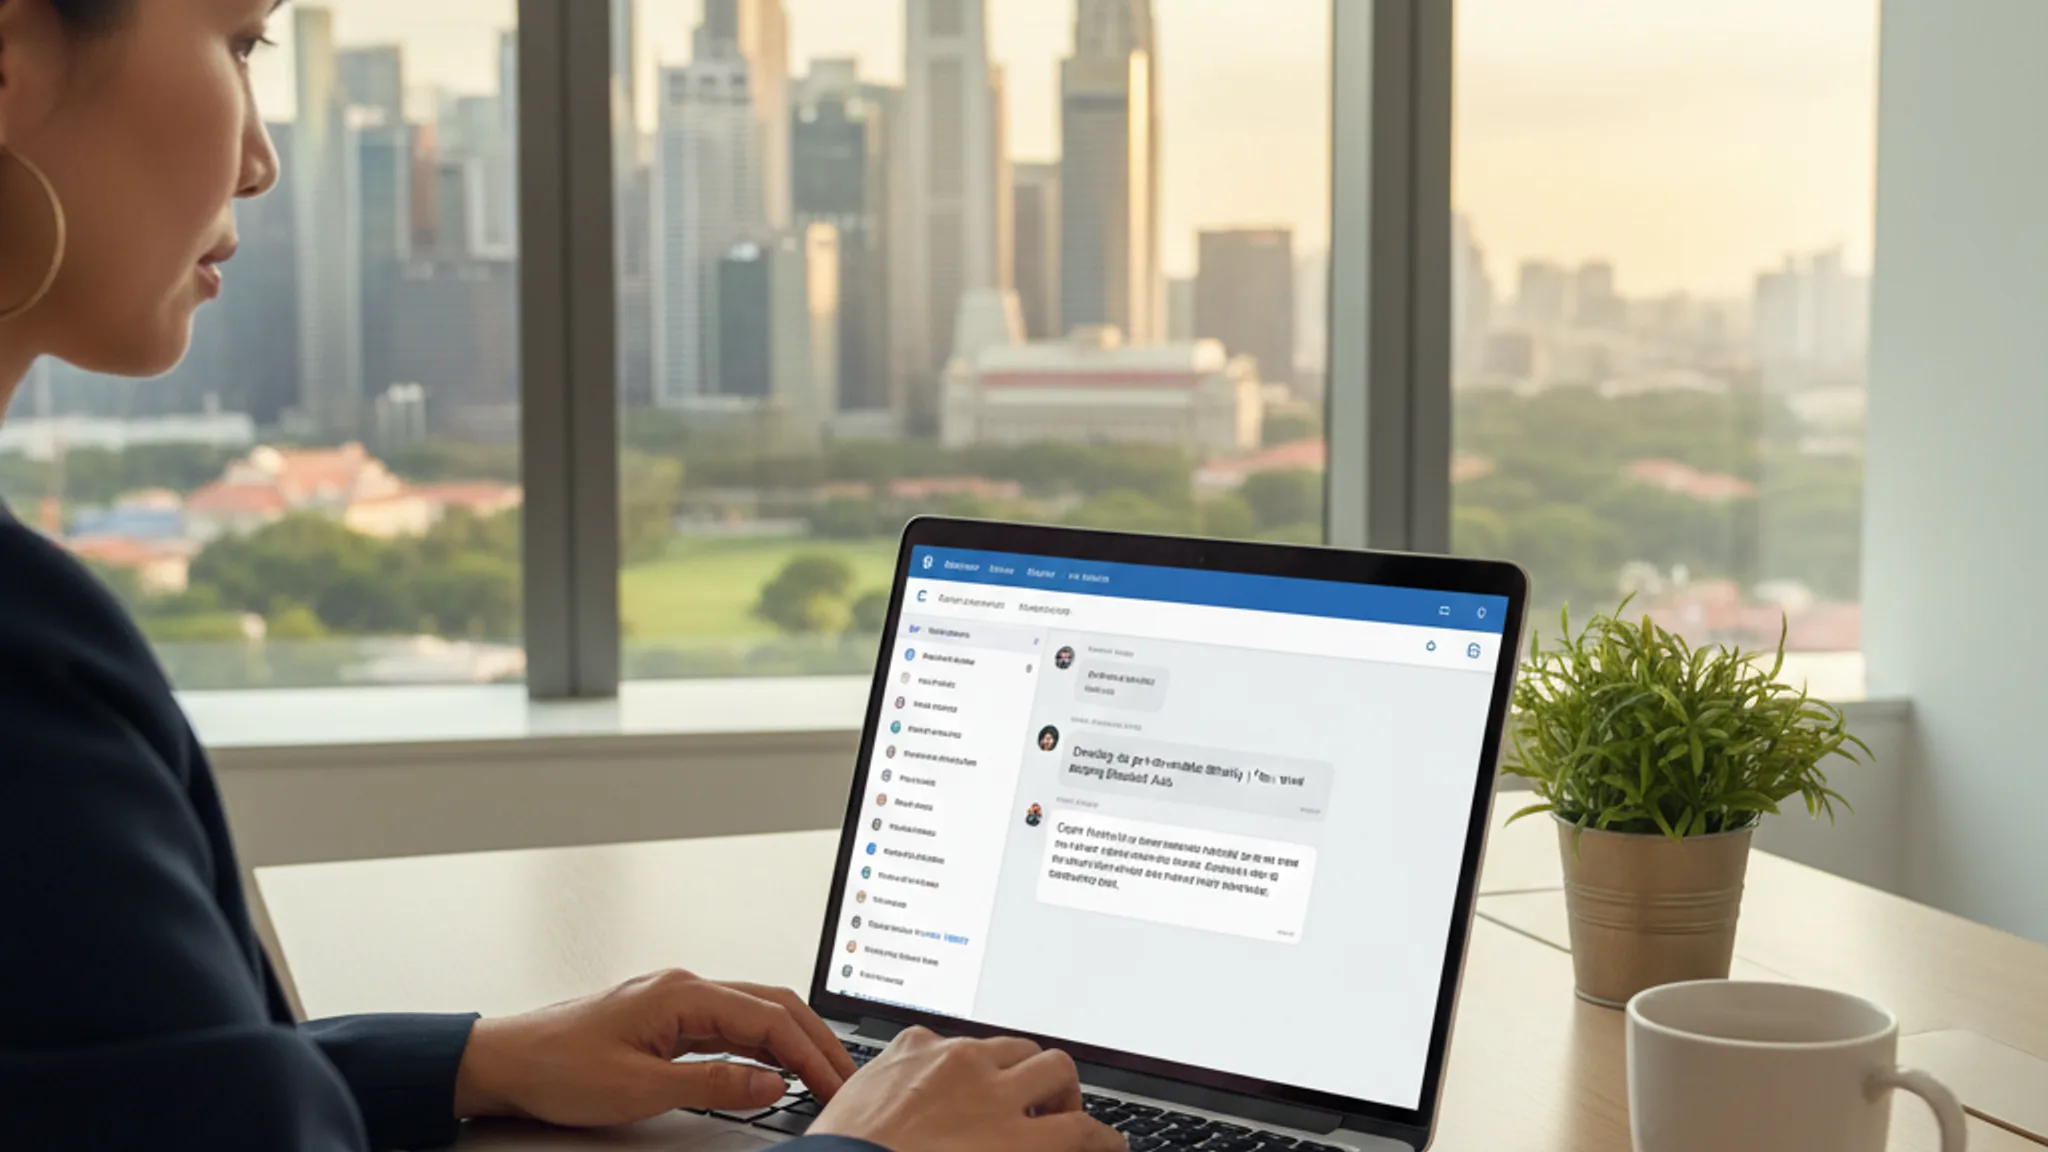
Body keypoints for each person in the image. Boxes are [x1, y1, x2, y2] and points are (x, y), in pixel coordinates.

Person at [0, 3, 1123, 1151]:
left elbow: (86, 1099)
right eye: (240, 41)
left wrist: (476, 1060)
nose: (259, 160)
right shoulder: (24, 656)